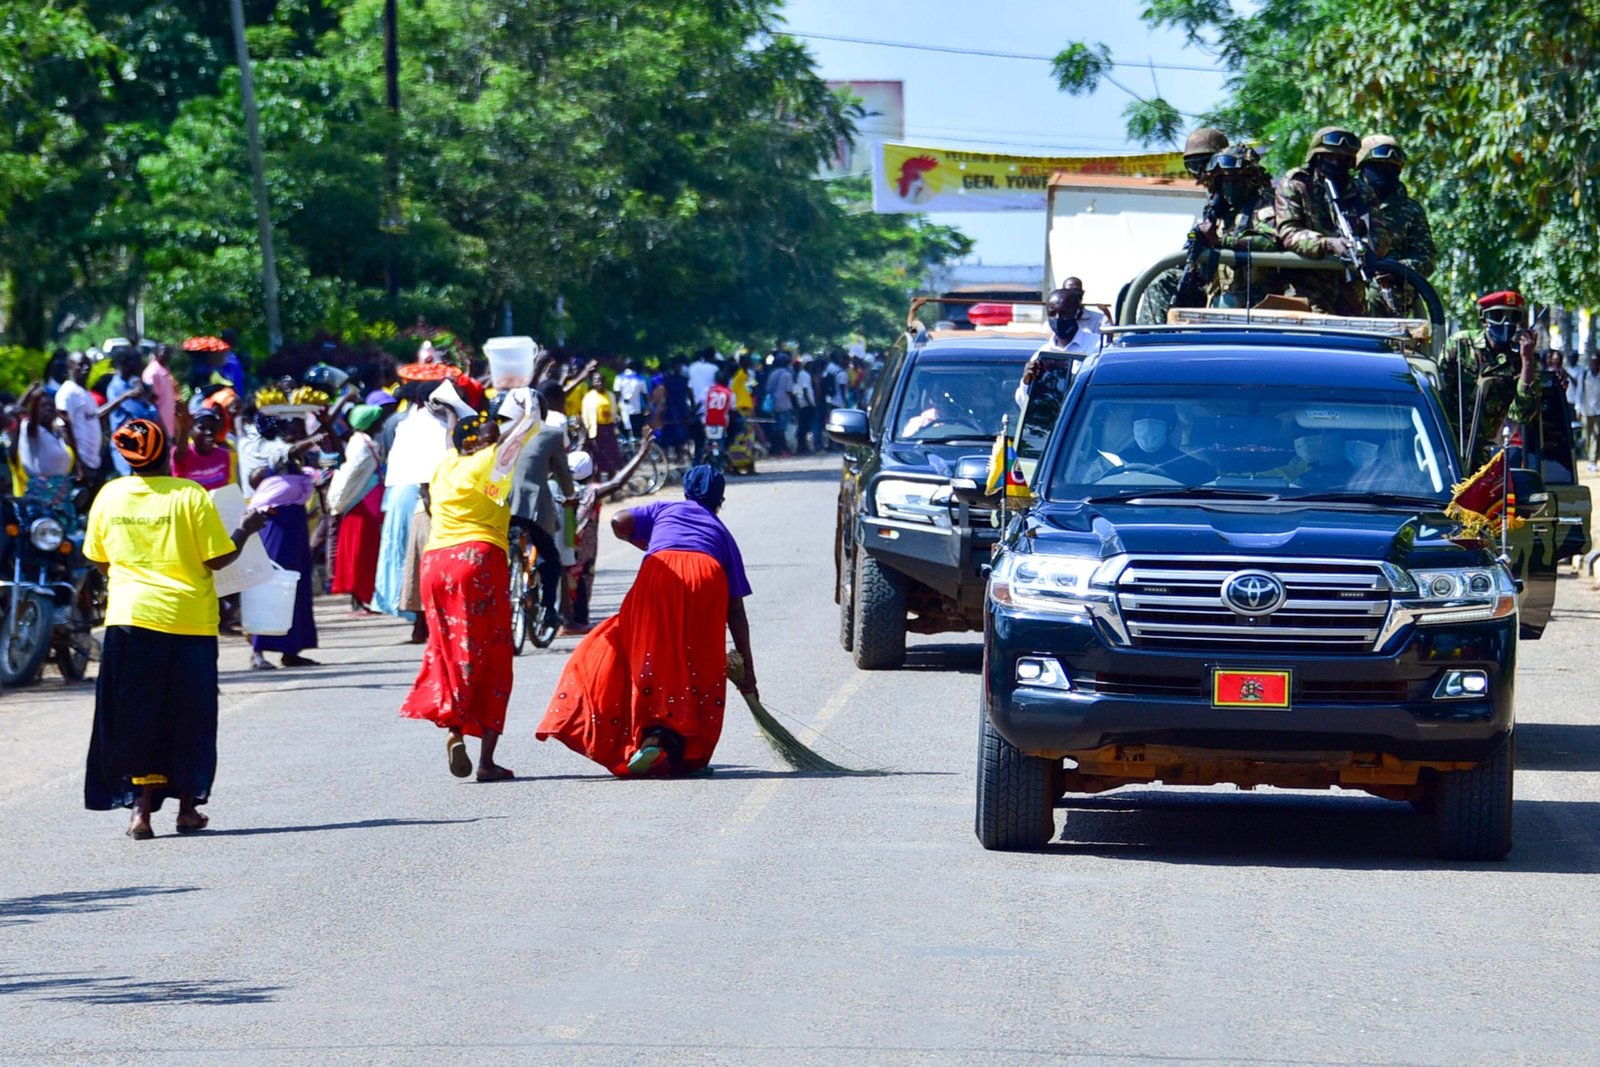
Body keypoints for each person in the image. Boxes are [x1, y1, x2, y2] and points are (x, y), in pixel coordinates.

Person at [84, 418, 268, 838]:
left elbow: (98, 557)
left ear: (125, 456)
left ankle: (140, 813)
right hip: (188, 622)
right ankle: (187, 810)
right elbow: (217, 558)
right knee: (189, 715)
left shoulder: (109, 495)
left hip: (130, 620)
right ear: (165, 451)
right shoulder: (189, 495)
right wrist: (245, 529)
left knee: (136, 716)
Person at [537, 465, 758, 777]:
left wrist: (645, 542)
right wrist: (748, 671)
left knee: (637, 648)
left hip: (659, 570)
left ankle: (649, 734)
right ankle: (681, 750)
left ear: (686, 492)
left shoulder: (664, 509)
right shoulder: (720, 532)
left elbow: (618, 520)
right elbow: (735, 610)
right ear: (719, 501)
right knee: (697, 663)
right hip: (706, 576)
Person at [399, 391, 540, 782]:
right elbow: (521, 431)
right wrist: (527, 405)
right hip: (476, 560)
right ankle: (486, 762)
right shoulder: (488, 460)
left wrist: (450, 412)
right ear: (483, 441)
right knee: (493, 655)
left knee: (448, 651)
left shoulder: (447, 462)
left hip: (436, 563)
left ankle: (455, 729)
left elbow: (453, 436)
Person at [239, 409, 329, 669]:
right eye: (295, 431)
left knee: (296, 585)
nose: (299, 435)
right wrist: (312, 439)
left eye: (302, 430)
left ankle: (292, 650)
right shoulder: (264, 451)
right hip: (273, 524)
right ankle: (258, 650)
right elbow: (284, 455)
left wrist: (324, 430)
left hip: (295, 524)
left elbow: (326, 461)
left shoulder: (298, 459)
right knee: (270, 582)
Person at [1275, 126, 1387, 315]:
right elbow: (1289, 232)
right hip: (1305, 295)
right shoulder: (1297, 185)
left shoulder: (1362, 192)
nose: (1336, 163)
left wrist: (1364, 246)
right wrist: (1328, 244)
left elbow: (1381, 235)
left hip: (1351, 297)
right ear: (1317, 157)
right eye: (1330, 157)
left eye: (1343, 159)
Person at [559, 439, 656, 635]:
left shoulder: (561, 486)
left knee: (566, 581)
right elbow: (618, 482)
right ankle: (573, 623)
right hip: (582, 548)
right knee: (581, 583)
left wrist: (581, 439)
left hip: (563, 543)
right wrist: (641, 454)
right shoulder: (590, 491)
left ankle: (564, 620)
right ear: (592, 472)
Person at [1439, 291, 1542, 470]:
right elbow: (1437, 391)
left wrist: (1527, 360)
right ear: (1484, 319)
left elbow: (1521, 414)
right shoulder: (1461, 345)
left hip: (1483, 451)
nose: (1505, 323)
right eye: (1498, 315)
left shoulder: (1521, 360)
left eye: (1512, 317)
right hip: (1447, 444)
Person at [378, 381, 449, 639]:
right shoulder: (439, 425)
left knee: (416, 560)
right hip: (432, 501)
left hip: (408, 497)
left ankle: (420, 622)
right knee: (433, 562)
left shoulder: (405, 425)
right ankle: (430, 622)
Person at [509, 392, 577, 635]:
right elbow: (563, 473)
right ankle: (548, 609)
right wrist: (570, 495)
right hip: (533, 503)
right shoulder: (551, 433)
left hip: (504, 502)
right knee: (550, 556)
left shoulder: (502, 431)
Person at [1357, 135, 1436, 317]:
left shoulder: (1410, 210)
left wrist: (1396, 269)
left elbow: (1426, 259)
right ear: (1363, 167)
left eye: (1393, 168)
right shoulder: (1344, 201)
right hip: (1345, 297)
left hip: (1391, 303)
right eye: (1380, 167)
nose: (1387, 172)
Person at [1196, 148, 1281, 308]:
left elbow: (1270, 241)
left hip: (1257, 300)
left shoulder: (1263, 205)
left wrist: (1223, 241)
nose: (1229, 186)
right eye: (1224, 181)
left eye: (1234, 180)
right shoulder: (1218, 213)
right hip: (1222, 297)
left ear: (1250, 180)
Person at [330, 404, 390, 615]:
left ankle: (367, 598)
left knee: (367, 551)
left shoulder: (363, 442)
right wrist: (338, 501)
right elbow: (352, 475)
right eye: (378, 420)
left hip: (368, 501)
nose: (381, 424)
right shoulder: (362, 445)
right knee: (360, 552)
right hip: (361, 503)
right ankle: (359, 599)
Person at [105, 346, 161, 477]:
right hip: (125, 447)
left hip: (138, 445)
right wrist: (149, 404)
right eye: (137, 363)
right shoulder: (118, 388)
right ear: (127, 365)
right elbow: (145, 415)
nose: (140, 367)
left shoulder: (130, 385)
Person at [55, 352, 103, 484]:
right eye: (81, 364)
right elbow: (63, 428)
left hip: (93, 460)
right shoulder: (67, 392)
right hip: (80, 464)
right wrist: (78, 462)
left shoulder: (84, 392)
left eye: (88, 364)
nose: (86, 368)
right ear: (70, 367)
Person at [171, 407, 236, 491]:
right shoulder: (184, 454)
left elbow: (225, 486)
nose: (209, 432)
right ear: (191, 430)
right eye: (202, 428)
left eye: (212, 428)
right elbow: (180, 451)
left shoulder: (223, 455)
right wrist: (184, 428)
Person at [580, 367, 622, 477]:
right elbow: (585, 415)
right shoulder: (588, 397)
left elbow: (615, 411)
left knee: (611, 459)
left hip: (609, 429)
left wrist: (616, 420)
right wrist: (588, 430)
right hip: (596, 430)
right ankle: (597, 483)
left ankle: (612, 482)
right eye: (596, 381)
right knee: (597, 458)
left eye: (601, 380)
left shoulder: (610, 395)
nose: (599, 383)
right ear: (593, 383)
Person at [141, 342, 178, 434]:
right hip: (158, 425)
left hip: (168, 422)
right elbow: (150, 399)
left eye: (168, 353)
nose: (167, 355)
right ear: (156, 353)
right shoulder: (153, 372)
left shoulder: (164, 369)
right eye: (164, 352)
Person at [1573, 352, 1600, 472]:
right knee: (1587, 436)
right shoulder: (1584, 375)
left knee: (1597, 435)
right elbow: (1579, 392)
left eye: (1596, 362)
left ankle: (1593, 460)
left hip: (1598, 411)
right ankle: (1588, 455)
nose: (1594, 364)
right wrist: (1578, 408)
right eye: (1593, 362)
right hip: (1586, 410)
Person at [615, 359, 651, 440]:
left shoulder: (619, 378)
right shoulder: (640, 378)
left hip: (623, 408)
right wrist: (647, 407)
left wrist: (615, 409)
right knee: (636, 432)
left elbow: (617, 394)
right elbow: (645, 394)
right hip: (636, 408)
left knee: (625, 430)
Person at [765, 356, 794, 456]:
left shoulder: (772, 374)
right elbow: (789, 390)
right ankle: (783, 448)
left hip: (774, 403)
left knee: (775, 427)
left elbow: (768, 388)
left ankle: (775, 448)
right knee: (783, 427)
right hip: (784, 403)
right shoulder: (787, 375)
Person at [791, 357, 816, 456]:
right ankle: (802, 447)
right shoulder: (805, 375)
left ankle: (802, 446)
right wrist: (811, 404)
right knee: (804, 427)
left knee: (803, 426)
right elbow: (805, 390)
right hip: (806, 404)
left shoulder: (802, 374)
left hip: (803, 403)